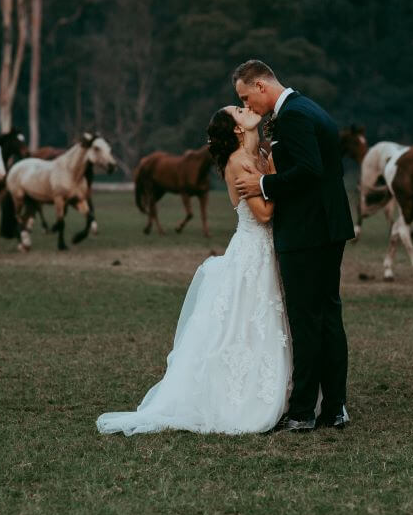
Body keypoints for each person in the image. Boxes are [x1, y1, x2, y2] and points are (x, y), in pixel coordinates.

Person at [96, 104, 291, 435]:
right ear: (236, 130)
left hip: (266, 252)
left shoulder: (258, 154)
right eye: (239, 111)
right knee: (246, 323)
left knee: (265, 322)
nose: (246, 109)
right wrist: (273, 172)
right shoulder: (240, 163)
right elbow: (264, 214)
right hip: (251, 252)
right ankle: (241, 398)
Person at [232, 59, 355, 431]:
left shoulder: (294, 117)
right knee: (328, 318)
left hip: (307, 233)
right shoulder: (308, 108)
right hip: (327, 228)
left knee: (305, 319)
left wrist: (264, 186)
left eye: (245, 97)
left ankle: (302, 411)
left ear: (260, 86)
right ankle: (334, 407)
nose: (247, 106)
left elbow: (309, 170)